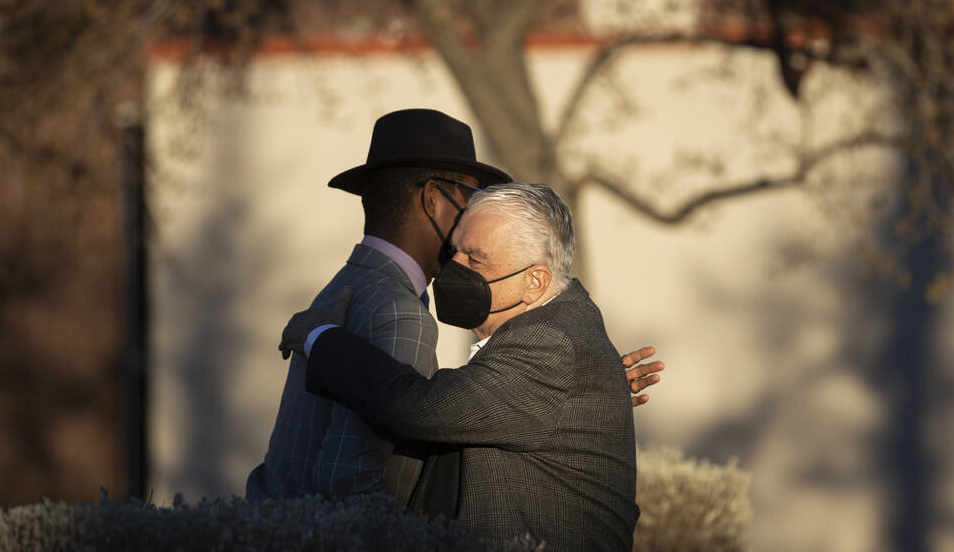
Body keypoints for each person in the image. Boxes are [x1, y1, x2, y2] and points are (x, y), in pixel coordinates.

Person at [247, 109, 662, 506]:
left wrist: (577, 397)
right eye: (471, 195)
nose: (475, 213)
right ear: (433, 199)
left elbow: (429, 411)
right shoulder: (397, 308)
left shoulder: (347, 287)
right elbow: (358, 471)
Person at [281, 183, 639, 552]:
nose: (454, 268)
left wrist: (320, 337)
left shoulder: (550, 345)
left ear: (535, 281)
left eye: (476, 259)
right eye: (456, 251)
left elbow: (413, 406)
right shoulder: (554, 336)